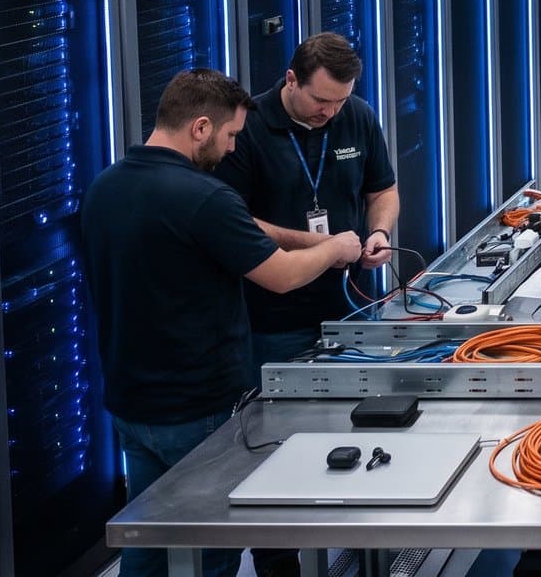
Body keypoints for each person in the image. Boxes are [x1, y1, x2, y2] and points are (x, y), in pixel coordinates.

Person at [79, 70, 364, 577]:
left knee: (147, 539)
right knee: (211, 549)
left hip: (131, 403)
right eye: (231, 135)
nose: (233, 149)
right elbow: (279, 276)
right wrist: (334, 248)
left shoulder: (105, 186)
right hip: (199, 406)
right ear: (201, 127)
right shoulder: (203, 197)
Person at [216, 32, 399, 377]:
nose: (329, 112)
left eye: (340, 101)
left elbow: (383, 191)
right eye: (320, 100)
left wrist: (380, 231)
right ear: (291, 80)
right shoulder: (247, 130)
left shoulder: (358, 116)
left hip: (353, 307)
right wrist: (323, 246)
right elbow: (234, 221)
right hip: (276, 322)